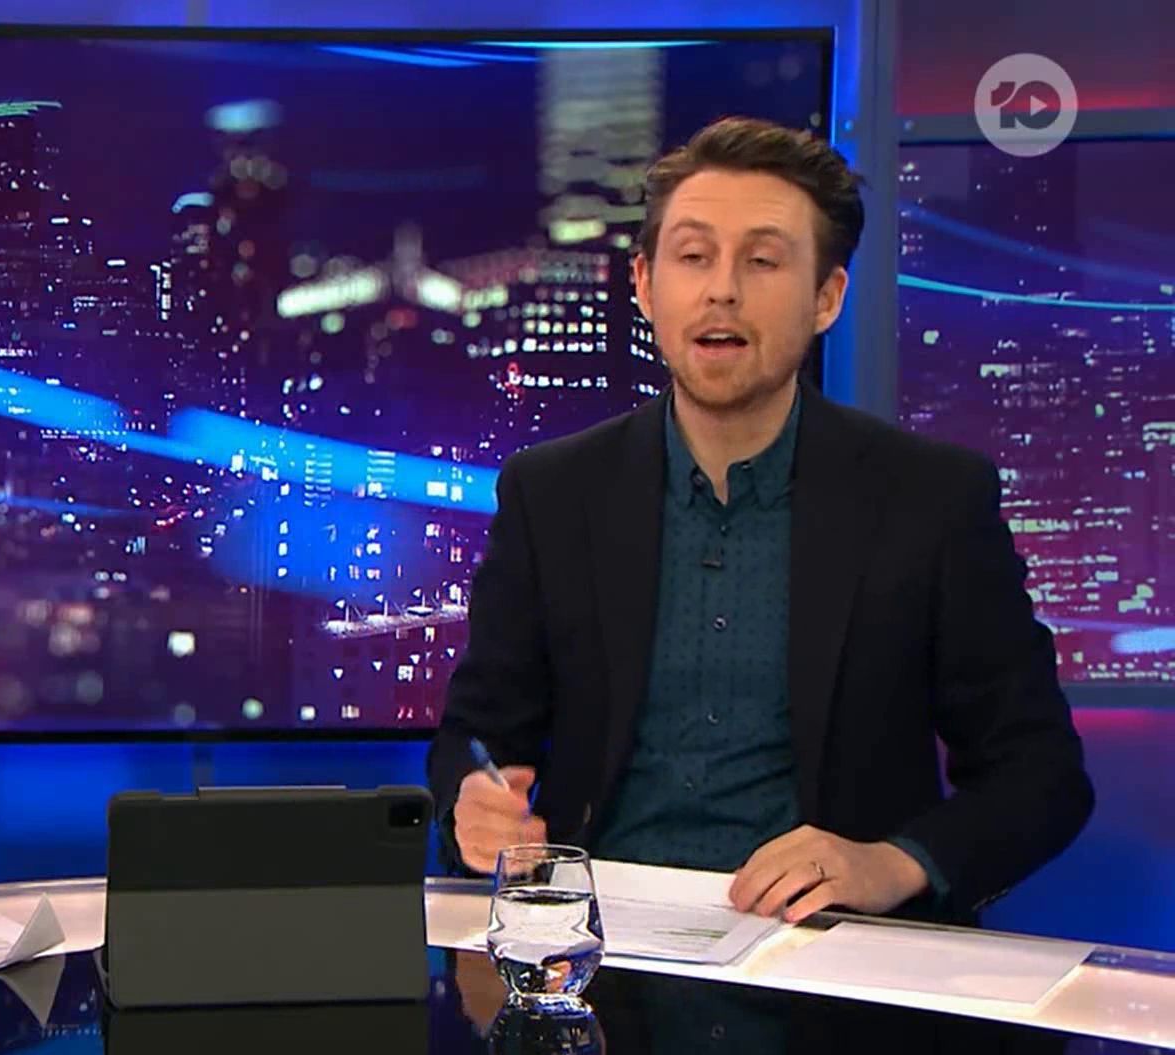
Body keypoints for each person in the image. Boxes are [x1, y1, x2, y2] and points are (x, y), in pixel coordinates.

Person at [428, 117, 1093, 925]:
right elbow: (477, 735)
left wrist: (893, 863)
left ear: (827, 298)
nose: (722, 290)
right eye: (693, 256)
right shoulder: (553, 493)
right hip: (598, 949)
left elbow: (1042, 775)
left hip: (837, 956)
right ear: (645, 285)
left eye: (763, 260)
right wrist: (474, 798)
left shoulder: (931, 500)